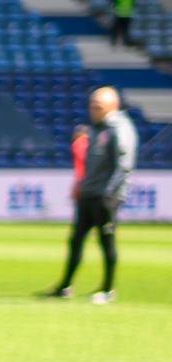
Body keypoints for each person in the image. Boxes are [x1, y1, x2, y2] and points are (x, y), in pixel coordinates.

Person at [51, 83, 133, 301]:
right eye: (91, 105)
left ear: (111, 106)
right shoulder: (97, 128)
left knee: (106, 241)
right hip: (88, 194)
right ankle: (65, 286)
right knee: (76, 240)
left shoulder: (119, 129)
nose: (92, 110)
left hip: (104, 197)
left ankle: (107, 289)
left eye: (97, 106)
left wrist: (109, 193)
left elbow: (123, 164)